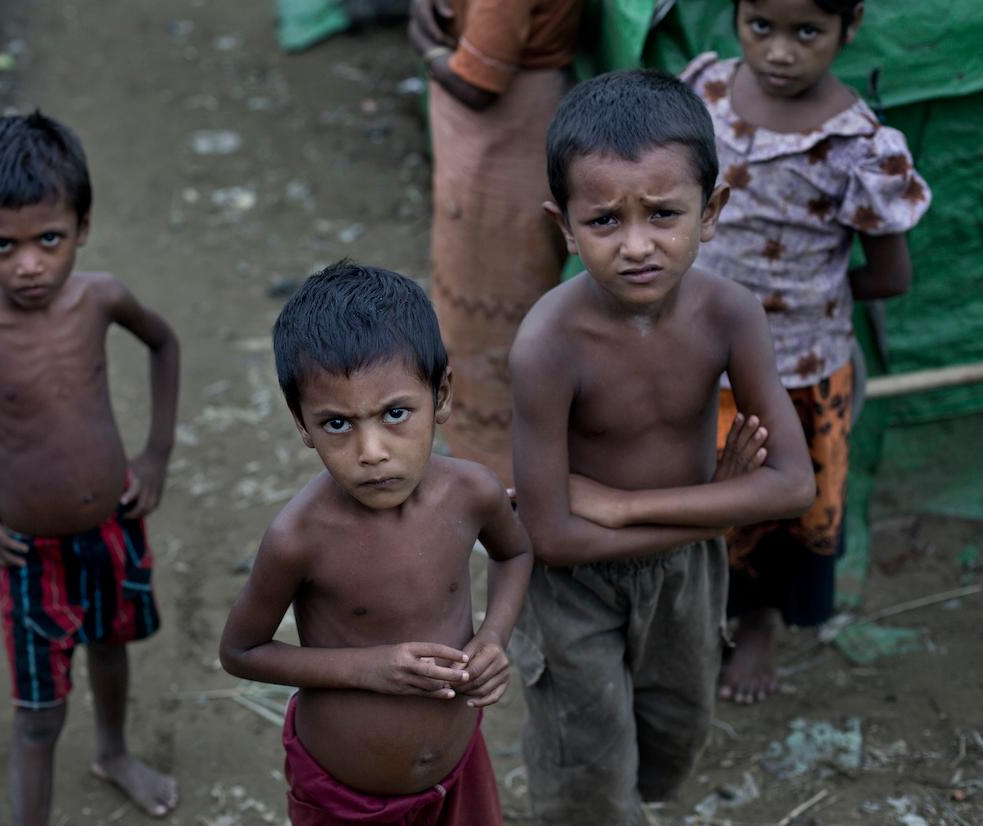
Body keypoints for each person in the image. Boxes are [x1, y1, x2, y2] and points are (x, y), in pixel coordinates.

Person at [507, 70, 816, 824]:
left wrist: (622, 507)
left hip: (685, 577)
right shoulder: (548, 345)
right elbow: (551, 535)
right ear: (565, 226)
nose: (637, 245)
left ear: (711, 212)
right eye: (605, 221)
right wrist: (718, 509)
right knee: (590, 759)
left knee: (676, 732)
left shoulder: (731, 316)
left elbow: (794, 484)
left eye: (664, 214)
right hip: (572, 593)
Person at [0, 112, 181, 825]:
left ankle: (112, 752)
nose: (29, 264)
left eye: (49, 239)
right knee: (38, 716)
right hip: (28, 555)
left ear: (81, 226)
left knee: (112, 648)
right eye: (2, 246)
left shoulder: (101, 297)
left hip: (115, 525)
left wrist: (156, 454)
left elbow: (163, 344)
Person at [680, 0, 931, 704]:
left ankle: (757, 624)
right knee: (695, 488)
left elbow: (891, 276)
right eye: (762, 27)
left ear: (850, 29)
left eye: (807, 33)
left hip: (797, 369)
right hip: (694, 356)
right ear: (736, 17)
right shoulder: (703, 92)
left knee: (781, 509)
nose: (781, 53)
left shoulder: (861, 149)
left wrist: (806, 293)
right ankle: (691, 616)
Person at [220, 261, 532, 826]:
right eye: (337, 424)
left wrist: (493, 637)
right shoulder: (299, 538)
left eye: (394, 414)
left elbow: (515, 552)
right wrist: (369, 668)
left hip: (458, 769)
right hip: (347, 796)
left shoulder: (472, 493)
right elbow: (241, 652)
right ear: (301, 424)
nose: (371, 451)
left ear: (441, 395)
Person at [408, 0, 585, 486]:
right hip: (501, 128)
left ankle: (503, 484)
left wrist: (426, 48)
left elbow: (479, 83)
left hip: (505, 132)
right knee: (475, 291)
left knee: (495, 303)